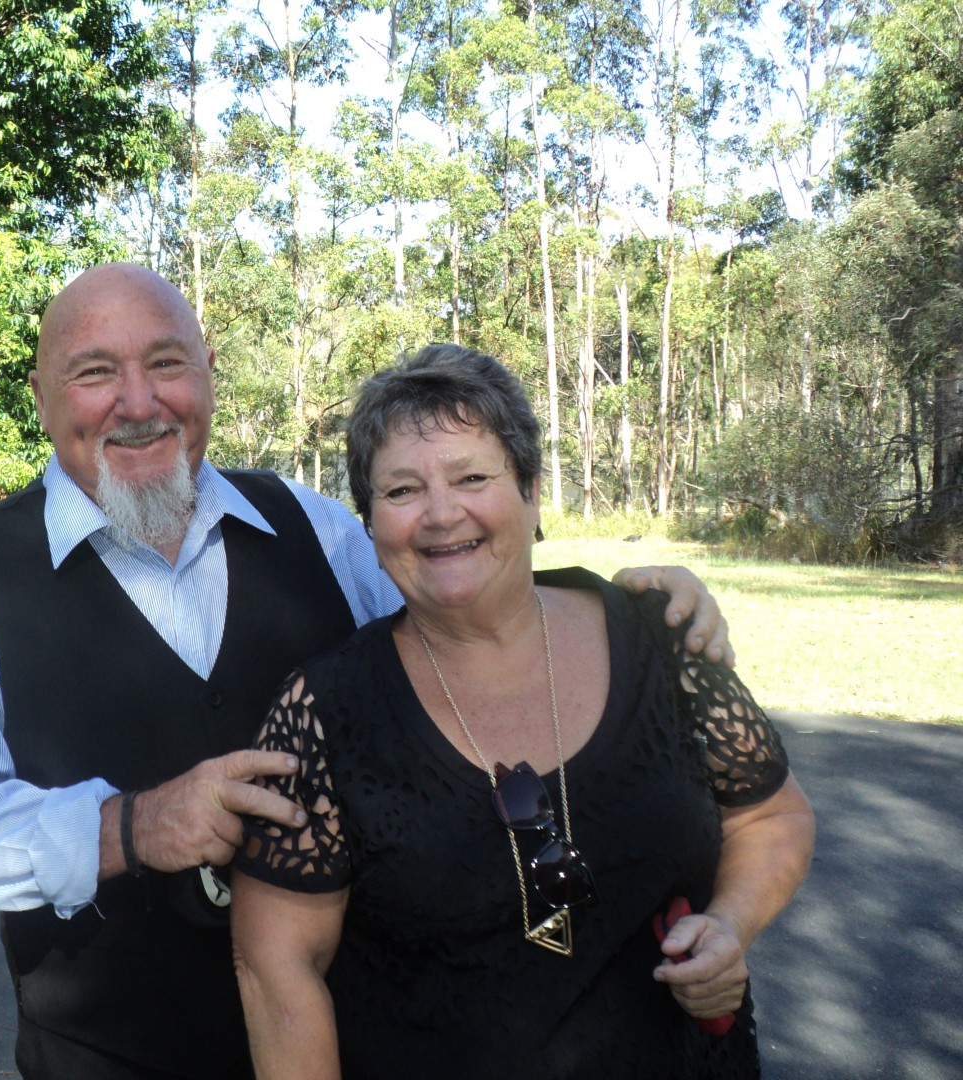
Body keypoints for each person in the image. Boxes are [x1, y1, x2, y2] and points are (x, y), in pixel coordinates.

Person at [0, 265, 734, 1080]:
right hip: (108, 1058)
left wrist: (622, 611)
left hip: (356, 1046)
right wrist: (130, 827)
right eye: (95, 373)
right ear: (41, 395)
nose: (138, 402)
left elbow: (466, 620)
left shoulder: (318, 530)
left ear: (208, 372)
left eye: (166, 363)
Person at [229, 344, 815, 1080]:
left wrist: (730, 923)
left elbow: (771, 817)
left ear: (532, 493)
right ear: (370, 525)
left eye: (472, 477)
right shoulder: (325, 710)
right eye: (402, 490)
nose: (442, 514)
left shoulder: (660, 640)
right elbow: (276, 965)